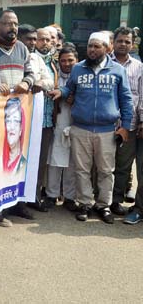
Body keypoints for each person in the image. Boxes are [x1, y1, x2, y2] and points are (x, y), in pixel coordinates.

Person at [49, 32, 133, 224]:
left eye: (97, 46)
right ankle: (85, 204)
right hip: (81, 128)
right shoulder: (78, 69)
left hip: (106, 130)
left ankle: (103, 205)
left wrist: (126, 127)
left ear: (107, 48)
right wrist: (60, 91)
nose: (92, 50)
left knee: (105, 171)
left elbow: (126, 100)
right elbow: (69, 88)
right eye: (90, 47)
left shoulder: (118, 71)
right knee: (82, 170)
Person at [0, 9, 35, 223]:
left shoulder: (22, 48)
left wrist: (26, 83)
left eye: (15, 23)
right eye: (7, 23)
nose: (12, 28)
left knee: (16, 158)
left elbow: (31, 73)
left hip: (18, 115)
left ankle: (16, 203)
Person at [109, 27, 143, 216]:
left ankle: (116, 201)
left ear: (132, 44)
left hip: (129, 125)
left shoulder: (139, 67)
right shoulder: (104, 63)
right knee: (105, 166)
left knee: (123, 166)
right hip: (108, 123)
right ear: (113, 42)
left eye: (127, 42)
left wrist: (141, 121)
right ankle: (104, 200)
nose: (123, 44)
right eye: (120, 41)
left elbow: (141, 96)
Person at [46, 46, 78, 212]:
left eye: (70, 60)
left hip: (77, 123)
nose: (67, 63)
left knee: (72, 162)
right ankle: (51, 195)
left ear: (77, 61)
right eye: (63, 60)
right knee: (54, 160)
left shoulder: (81, 76)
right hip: (58, 122)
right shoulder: (54, 76)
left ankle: (70, 197)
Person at [27, 28, 56, 212]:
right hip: (30, 119)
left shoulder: (54, 63)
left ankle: (35, 195)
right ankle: (24, 197)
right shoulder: (30, 58)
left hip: (47, 120)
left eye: (48, 40)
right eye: (40, 39)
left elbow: (51, 84)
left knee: (41, 160)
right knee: (27, 160)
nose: (44, 43)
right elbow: (37, 83)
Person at [2, 97, 27, 177]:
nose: (11, 127)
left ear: (21, 129)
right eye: (8, 121)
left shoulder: (24, 165)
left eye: (16, 121)